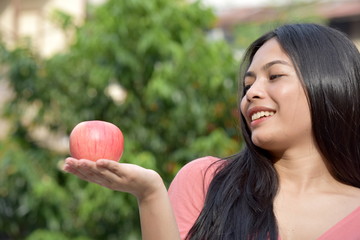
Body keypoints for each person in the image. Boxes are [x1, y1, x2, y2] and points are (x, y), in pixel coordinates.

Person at [63, 23, 360, 240]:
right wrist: (150, 194)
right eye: (247, 84)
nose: (252, 93)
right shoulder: (207, 182)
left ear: (329, 84)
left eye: (275, 76)